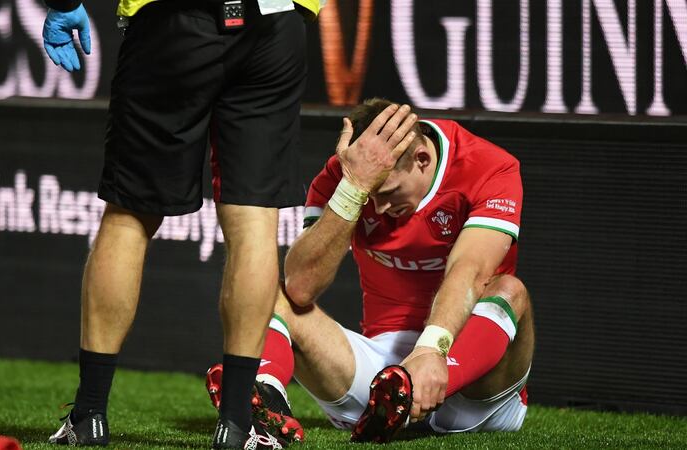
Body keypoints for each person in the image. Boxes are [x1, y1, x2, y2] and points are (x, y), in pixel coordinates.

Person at [40, 0, 323, 448]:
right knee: (255, 226)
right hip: (274, 23)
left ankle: (89, 415)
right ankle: (236, 426)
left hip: (174, 20)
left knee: (130, 217)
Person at [205, 98, 535, 443]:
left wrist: (431, 349)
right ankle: (267, 395)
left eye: (388, 191)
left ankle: (410, 393)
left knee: (509, 290)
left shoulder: (488, 166)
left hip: (473, 379)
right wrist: (353, 189)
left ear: (422, 160)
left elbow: (470, 270)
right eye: (372, 195)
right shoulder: (344, 175)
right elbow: (301, 286)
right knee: (268, 287)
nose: (379, 208)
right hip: (379, 381)